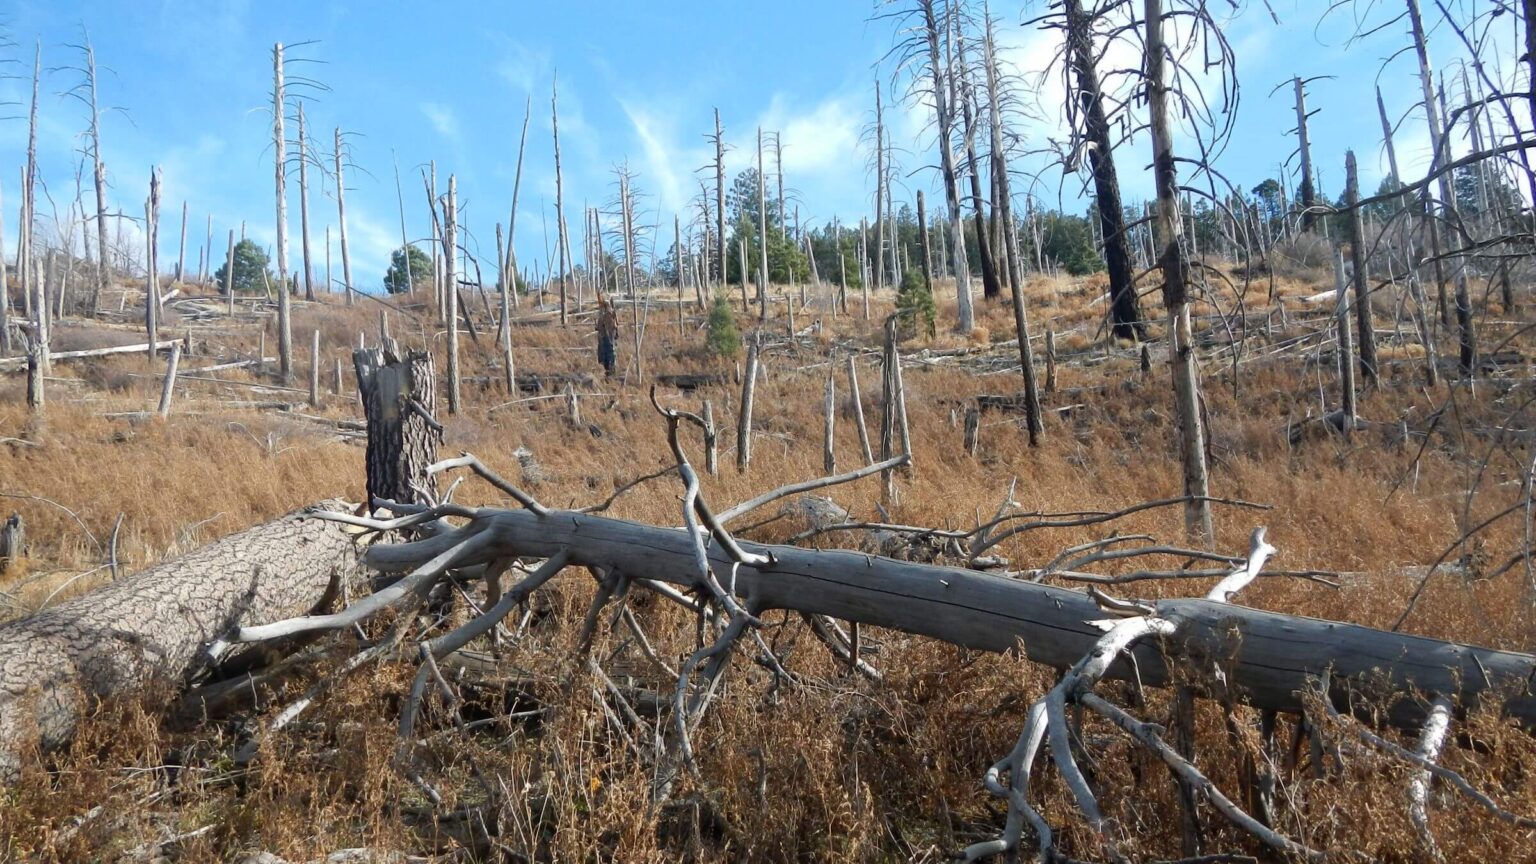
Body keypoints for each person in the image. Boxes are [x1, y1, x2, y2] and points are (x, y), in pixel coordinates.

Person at [596, 295, 619, 376]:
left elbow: (612, 326)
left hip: (608, 335)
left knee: (610, 351)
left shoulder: (609, 312)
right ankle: (606, 369)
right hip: (603, 336)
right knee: (603, 353)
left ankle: (611, 370)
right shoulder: (602, 311)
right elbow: (599, 325)